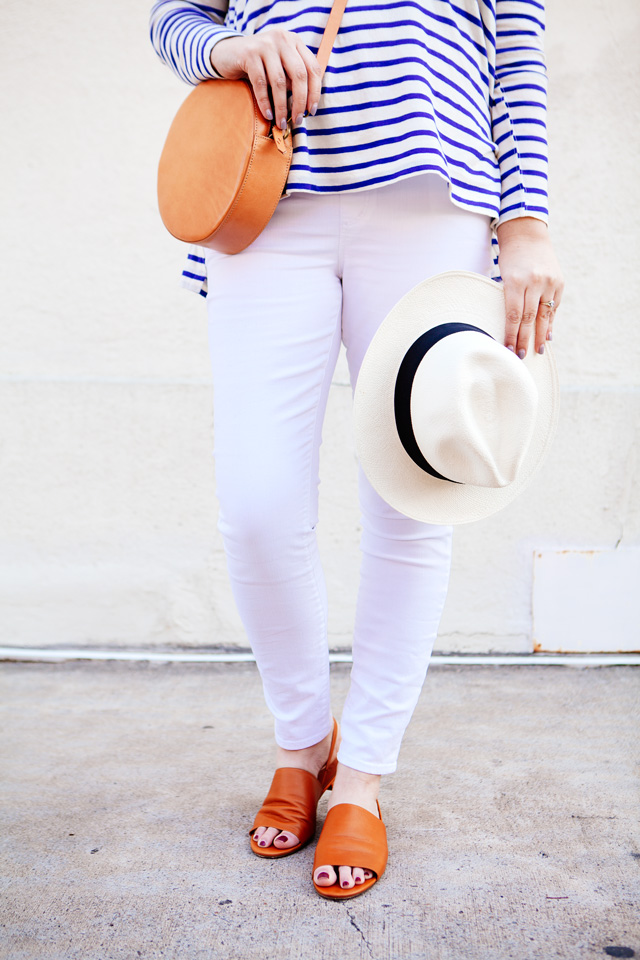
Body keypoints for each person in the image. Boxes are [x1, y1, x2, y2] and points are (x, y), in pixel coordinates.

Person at [149, 0, 564, 899]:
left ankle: (363, 775)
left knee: (414, 498)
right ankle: (303, 744)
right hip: (263, 193)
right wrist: (230, 44)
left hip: (433, 200)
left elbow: (517, 54)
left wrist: (525, 223)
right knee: (257, 506)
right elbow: (172, 19)